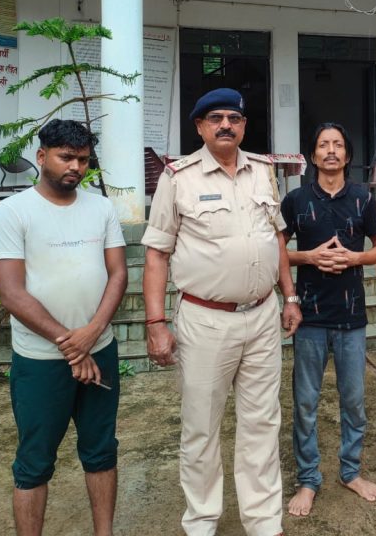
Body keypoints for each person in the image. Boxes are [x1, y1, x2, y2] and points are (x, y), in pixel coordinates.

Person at [141, 88, 302, 536]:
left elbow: (277, 239)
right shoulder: (179, 177)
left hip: (263, 316)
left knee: (262, 423)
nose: (226, 125)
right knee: (201, 428)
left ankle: (263, 521)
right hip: (205, 320)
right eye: (216, 118)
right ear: (200, 126)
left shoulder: (263, 171)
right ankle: (201, 521)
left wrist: (289, 296)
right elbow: (157, 254)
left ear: (244, 126)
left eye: (234, 118)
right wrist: (155, 323)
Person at [0, 119, 128, 536]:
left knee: (102, 451)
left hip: (100, 350)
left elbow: (118, 274)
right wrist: (72, 345)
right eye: (66, 157)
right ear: (41, 156)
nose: (76, 167)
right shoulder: (13, 212)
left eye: (82, 160)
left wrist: (92, 334)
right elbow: (12, 294)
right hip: (40, 361)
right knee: (34, 461)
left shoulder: (100, 208)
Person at [281, 122, 376, 517]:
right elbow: (275, 250)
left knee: (354, 401)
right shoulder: (295, 200)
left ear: (347, 155)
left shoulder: (363, 199)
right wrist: (308, 257)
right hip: (308, 316)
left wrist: (355, 257)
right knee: (305, 402)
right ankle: (308, 479)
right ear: (313, 155)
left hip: (351, 316)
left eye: (338, 145)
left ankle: (350, 472)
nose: (330, 151)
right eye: (323, 144)